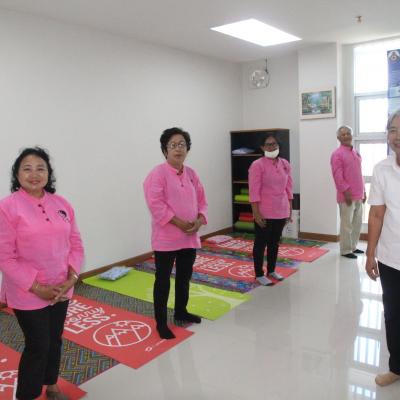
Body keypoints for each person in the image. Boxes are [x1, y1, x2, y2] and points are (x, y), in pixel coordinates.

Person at [0, 147, 84, 400]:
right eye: (27, 168)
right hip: (28, 292)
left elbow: (76, 244)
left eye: (41, 168)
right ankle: (27, 395)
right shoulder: (7, 207)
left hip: (61, 287)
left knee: (54, 339)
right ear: (17, 174)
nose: (34, 174)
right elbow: (5, 257)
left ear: (49, 173)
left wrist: (72, 278)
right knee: (38, 345)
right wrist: (37, 288)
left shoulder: (62, 204)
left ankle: (52, 385)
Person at [144, 127, 208, 339]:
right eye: (173, 145)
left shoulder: (192, 174)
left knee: (184, 277)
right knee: (162, 281)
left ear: (187, 149)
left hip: (189, 237)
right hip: (166, 239)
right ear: (165, 150)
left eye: (182, 144)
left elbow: (202, 200)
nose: (178, 149)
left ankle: (181, 311)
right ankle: (161, 323)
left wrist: (199, 220)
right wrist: (179, 223)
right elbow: (156, 204)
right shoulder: (157, 174)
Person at [365, 109, 400, 387]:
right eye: (393, 130)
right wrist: (370, 254)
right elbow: (376, 214)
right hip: (391, 257)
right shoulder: (382, 169)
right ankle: (396, 367)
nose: (397, 136)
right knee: (393, 315)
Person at [249, 133, 293, 286]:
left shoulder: (285, 164)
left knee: (275, 243)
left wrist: (290, 209)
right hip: (264, 211)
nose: (272, 147)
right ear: (262, 147)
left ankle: (272, 270)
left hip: (281, 209)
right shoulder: (257, 165)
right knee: (261, 243)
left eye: (274, 144)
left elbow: (289, 188)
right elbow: (253, 191)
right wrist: (256, 213)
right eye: (268, 144)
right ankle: (259, 274)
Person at [331, 125, 366, 259]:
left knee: (357, 223)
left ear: (351, 135)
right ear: (338, 138)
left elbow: (359, 173)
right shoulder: (337, 154)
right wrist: (346, 192)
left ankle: (353, 246)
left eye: (348, 133)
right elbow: (337, 176)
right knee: (347, 224)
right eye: (343, 134)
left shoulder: (356, 153)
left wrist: (364, 190)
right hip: (346, 195)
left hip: (359, 194)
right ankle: (345, 250)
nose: (346, 136)